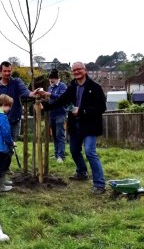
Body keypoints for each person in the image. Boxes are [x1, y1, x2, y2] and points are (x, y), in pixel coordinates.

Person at [39, 62, 107, 195]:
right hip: (75, 125)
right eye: (74, 70)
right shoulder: (72, 86)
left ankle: (99, 184)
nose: (76, 72)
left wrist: (82, 111)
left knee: (90, 152)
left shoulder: (95, 87)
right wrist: (46, 106)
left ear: (85, 70)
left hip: (90, 126)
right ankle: (82, 172)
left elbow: (101, 108)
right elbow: (61, 100)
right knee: (74, 150)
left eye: (79, 69)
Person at [0, 61, 38, 186]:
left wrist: (32, 94)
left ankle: (2, 172)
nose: (7, 73)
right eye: (5, 71)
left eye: (9, 71)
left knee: (10, 148)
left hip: (15, 121)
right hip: (0, 124)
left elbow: (24, 91)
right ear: (0, 72)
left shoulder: (16, 82)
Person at [0, 94, 16, 192]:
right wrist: (11, 142)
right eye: (9, 106)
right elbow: (6, 132)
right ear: (4, 104)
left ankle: (2, 181)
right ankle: (0, 186)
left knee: (3, 162)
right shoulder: (2, 118)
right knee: (0, 166)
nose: (10, 108)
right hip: (1, 145)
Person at [43, 69, 67, 163]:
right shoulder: (50, 87)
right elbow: (50, 99)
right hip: (51, 114)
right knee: (54, 136)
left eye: (53, 79)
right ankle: (56, 154)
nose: (51, 80)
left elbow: (62, 98)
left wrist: (50, 94)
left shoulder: (62, 86)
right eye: (50, 79)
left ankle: (61, 156)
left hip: (60, 114)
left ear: (58, 79)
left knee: (60, 135)